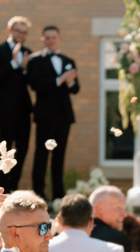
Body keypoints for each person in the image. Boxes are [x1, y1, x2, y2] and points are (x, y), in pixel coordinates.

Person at [27, 25, 79, 200]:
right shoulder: (35, 60)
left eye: (53, 37)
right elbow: (36, 84)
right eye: (47, 37)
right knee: (41, 155)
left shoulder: (68, 60)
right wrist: (60, 79)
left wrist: (70, 81)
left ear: (59, 38)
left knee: (60, 155)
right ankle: (38, 193)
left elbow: (75, 88)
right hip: (45, 115)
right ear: (43, 40)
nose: (50, 40)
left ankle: (58, 195)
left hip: (64, 115)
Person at [0, 16, 33, 191]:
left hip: (23, 111)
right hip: (4, 111)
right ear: (9, 30)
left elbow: (32, 82)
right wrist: (13, 63)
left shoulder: (28, 52)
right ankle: (2, 187)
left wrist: (26, 69)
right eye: (18, 31)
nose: (21, 35)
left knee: (23, 149)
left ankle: (13, 187)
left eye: (24, 32)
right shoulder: (1, 50)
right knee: (3, 150)